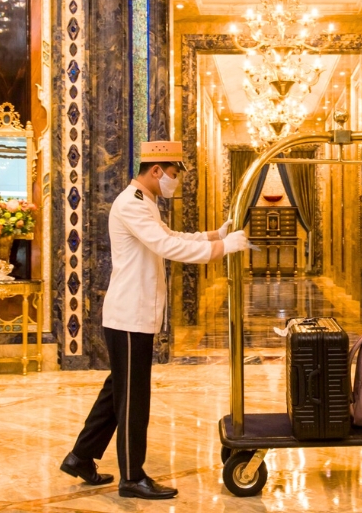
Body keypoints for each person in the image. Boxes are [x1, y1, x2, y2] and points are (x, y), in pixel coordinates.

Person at [60, 141, 249, 500]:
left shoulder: (146, 203)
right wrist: (224, 249)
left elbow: (170, 237)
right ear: (157, 170)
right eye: (174, 175)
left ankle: (80, 457)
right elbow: (168, 248)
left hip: (134, 315)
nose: (174, 183)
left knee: (118, 390)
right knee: (133, 399)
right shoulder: (130, 204)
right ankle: (132, 476)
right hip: (129, 317)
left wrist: (215, 236)